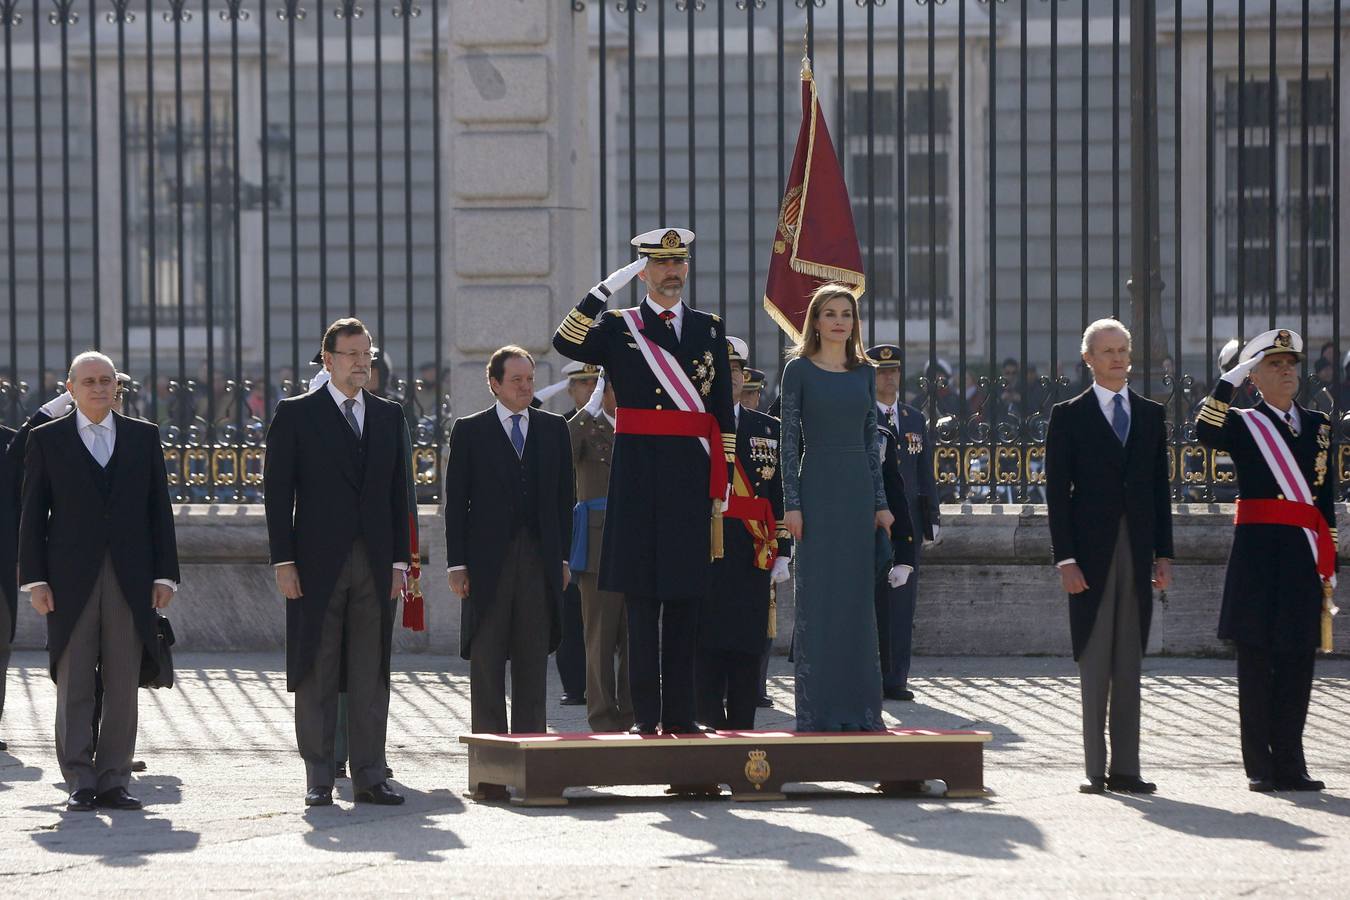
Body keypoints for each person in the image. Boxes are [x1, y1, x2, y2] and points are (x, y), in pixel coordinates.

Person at [552, 227, 735, 735]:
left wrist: (723, 478)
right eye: (661, 264)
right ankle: (645, 717)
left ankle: (681, 715)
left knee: (684, 601)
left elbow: (722, 409)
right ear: (644, 271)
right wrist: (603, 289)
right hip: (635, 476)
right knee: (639, 603)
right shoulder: (618, 326)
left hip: (689, 474)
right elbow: (564, 340)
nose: (672, 272)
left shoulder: (709, 329)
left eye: (680, 263)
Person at [19, 351, 180, 812]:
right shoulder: (47, 439)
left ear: (117, 387)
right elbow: (34, 515)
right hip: (69, 579)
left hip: (130, 576)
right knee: (74, 679)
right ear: (70, 388)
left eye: (107, 381)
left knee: (124, 675)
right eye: (89, 381)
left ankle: (114, 777)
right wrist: (35, 581)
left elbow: (159, 511)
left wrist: (165, 573)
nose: (99, 388)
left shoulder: (142, 437)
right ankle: (79, 778)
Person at [264, 318, 410, 808]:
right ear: (327, 360)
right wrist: (283, 560)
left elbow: (399, 496)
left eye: (366, 353)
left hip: (374, 563)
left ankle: (370, 773)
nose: (361, 362)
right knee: (318, 668)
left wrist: (400, 563)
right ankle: (319, 775)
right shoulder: (296, 414)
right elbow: (277, 494)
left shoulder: (390, 416)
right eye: (350, 354)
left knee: (371, 670)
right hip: (314, 564)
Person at [1196, 328, 1334, 792]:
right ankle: (1261, 765)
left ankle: (1292, 763)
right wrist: (1227, 383)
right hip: (1257, 558)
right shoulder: (1242, 422)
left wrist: (1326, 561)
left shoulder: (1318, 425)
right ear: (1255, 376)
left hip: (1301, 557)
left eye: (1292, 364)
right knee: (1256, 664)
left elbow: (1325, 500)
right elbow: (1203, 431)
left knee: (1298, 662)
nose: (1288, 371)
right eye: (1275, 365)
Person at [1045, 319, 1173, 795]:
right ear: (1089, 359)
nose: (1118, 358)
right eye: (1108, 351)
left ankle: (1127, 768)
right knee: (1095, 657)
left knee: (1129, 661)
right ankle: (1095, 769)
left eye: (1123, 349)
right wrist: (1066, 559)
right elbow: (1056, 493)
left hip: (1137, 551)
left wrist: (1164, 554)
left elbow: (1159, 489)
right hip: (1090, 555)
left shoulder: (1150, 414)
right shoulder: (1069, 415)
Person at [780, 283, 896, 732]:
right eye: (830, 313)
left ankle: (862, 711)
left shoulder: (866, 372)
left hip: (857, 493)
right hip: (816, 490)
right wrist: (792, 504)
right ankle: (817, 712)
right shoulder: (799, 371)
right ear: (815, 320)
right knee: (818, 602)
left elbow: (871, 444)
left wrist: (881, 505)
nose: (839, 321)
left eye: (846, 313)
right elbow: (789, 442)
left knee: (856, 603)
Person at [443, 346, 574, 735]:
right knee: (487, 660)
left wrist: (563, 559)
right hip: (486, 566)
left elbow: (565, 501)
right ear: (494, 383)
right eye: (516, 380)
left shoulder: (553, 430)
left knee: (533, 660)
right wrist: (456, 564)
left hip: (539, 560)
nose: (525, 386)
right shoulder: (470, 430)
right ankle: (490, 755)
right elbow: (456, 503)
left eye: (530, 379)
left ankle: (530, 752)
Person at [695, 338, 791, 731]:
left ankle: (742, 730)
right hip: (705, 550)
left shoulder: (768, 428)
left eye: (736, 372)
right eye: (723, 371)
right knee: (705, 646)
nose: (731, 378)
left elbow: (782, 493)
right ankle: (706, 729)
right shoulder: (696, 425)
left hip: (755, 551)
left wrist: (784, 549)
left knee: (749, 646)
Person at [869, 345, 939, 702]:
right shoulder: (863, 415)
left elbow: (924, 473)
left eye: (893, 370)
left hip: (907, 522)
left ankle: (897, 677)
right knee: (872, 603)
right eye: (881, 371)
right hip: (874, 521)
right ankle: (871, 674)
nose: (889, 377)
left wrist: (933, 517)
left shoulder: (914, 418)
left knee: (902, 604)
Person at [568, 372, 633, 732]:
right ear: (602, 391)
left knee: (634, 637)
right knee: (600, 636)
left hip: (635, 542)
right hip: (596, 544)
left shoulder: (639, 426)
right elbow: (562, 450)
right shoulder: (587, 427)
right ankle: (603, 715)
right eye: (614, 389)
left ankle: (632, 712)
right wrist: (586, 411)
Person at [554, 360, 598, 707]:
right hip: (572, 527)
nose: (590, 388)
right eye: (583, 383)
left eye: (596, 381)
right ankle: (574, 684)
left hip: (605, 526)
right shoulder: (562, 427)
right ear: (571, 389)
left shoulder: (614, 422)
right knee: (572, 611)